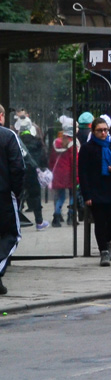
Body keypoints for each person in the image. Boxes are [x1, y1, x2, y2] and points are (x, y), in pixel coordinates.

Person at [78, 116, 111, 266]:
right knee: (100, 222)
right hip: (95, 191)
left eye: (105, 130)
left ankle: (107, 242)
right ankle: (103, 252)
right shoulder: (87, 148)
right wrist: (87, 195)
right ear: (93, 131)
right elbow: (83, 173)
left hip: (110, 190)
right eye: (99, 130)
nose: (103, 133)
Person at [0, 104, 26, 295]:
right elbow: (18, 167)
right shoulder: (8, 136)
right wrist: (16, 192)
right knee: (12, 235)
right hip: (3, 193)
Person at [15, 117, 49, 231]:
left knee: (17, 196)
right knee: (35, 196)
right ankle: (39, 222)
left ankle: (15, 221)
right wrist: (43, 168)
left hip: (19, 172)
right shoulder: (38, 142)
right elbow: (44, 158)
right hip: (33, 172)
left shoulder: (16, 141)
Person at [50, 122, 78, 227]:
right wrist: (77, 176)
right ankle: (71, 216)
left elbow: (52, 160)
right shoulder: (72, 144)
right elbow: (75, 162)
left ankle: (56, 217)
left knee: (61, 197)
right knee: (73, 195)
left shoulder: (56, 142)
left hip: (58, 173)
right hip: (70, 173)